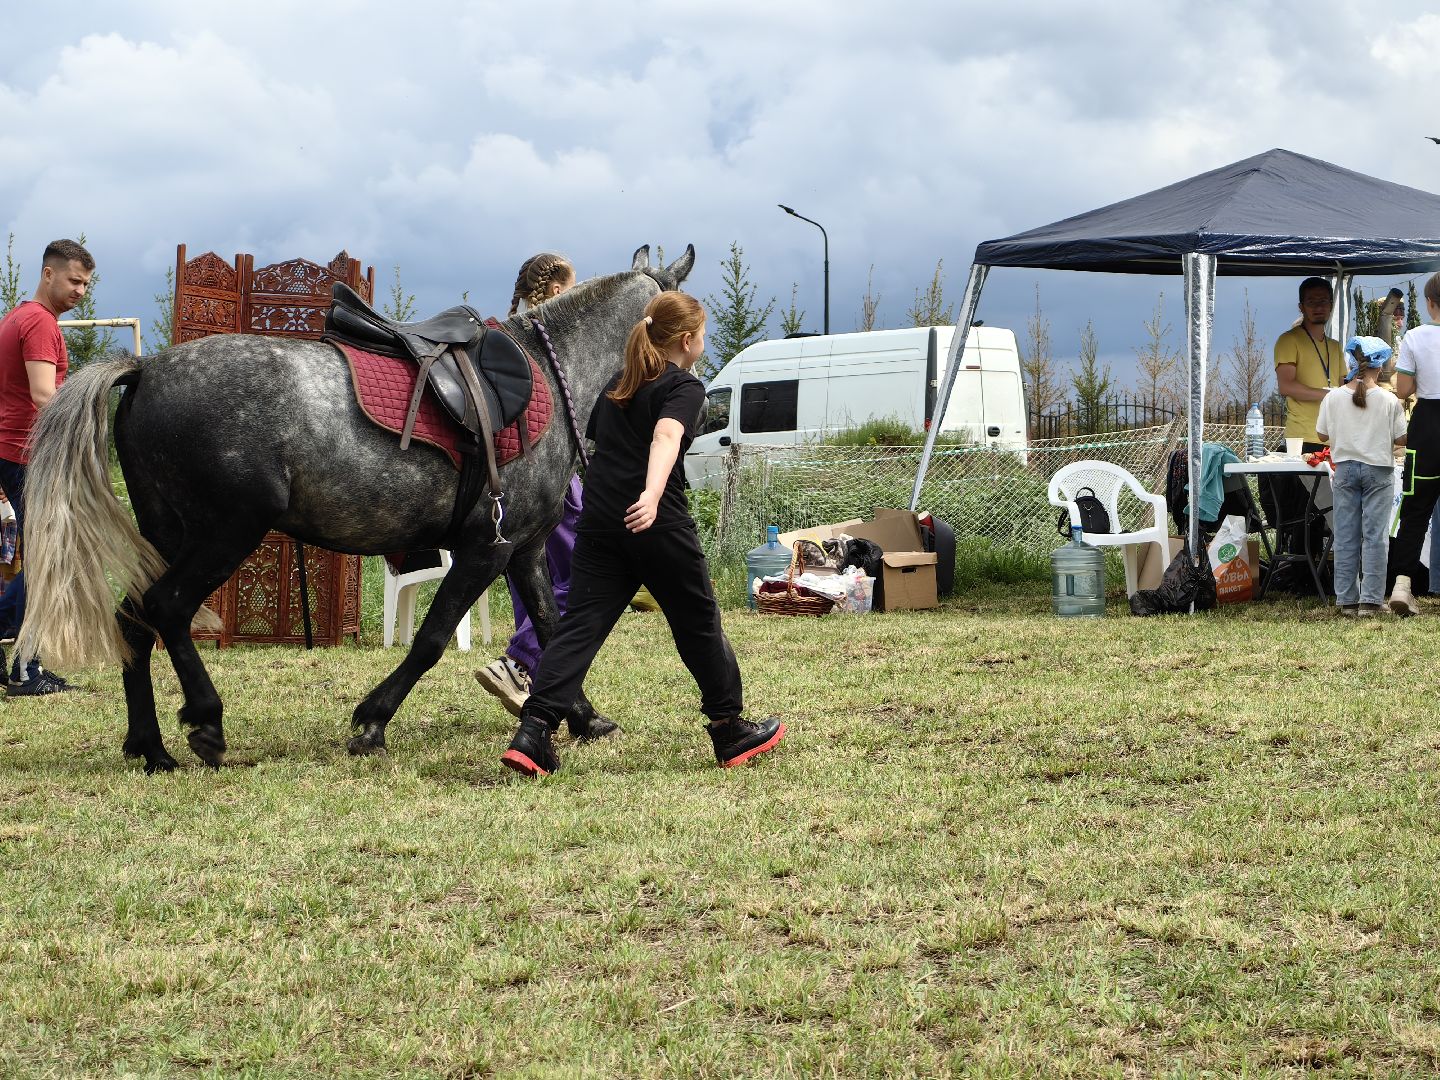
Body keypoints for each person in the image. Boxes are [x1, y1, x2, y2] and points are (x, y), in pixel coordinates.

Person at [500, 291, 784, 777]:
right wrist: (651, 496)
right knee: (698, 622)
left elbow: (598, 451)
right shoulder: (684, 387)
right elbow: (666, 436)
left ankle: (535, 733)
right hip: (655, 523)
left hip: (601, 522)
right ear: (688, 340)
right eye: (704, 336)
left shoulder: (619, 384)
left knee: (580, 627)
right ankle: (729, 729)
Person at [474, 253, 581, 715]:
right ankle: (520, 663)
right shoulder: (549, 342)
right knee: (582, 569)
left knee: (529, 573)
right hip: (546, 472)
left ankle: (530, 674)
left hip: (509, 476)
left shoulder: (506, 336)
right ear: (558, 291)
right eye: (573, 286)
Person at [0, 238, 94, 695]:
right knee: (43, 563)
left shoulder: (18, 316)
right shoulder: (38, 323)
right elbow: (42, 395)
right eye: (75, 280)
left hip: (12, 449)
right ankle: (25, 672)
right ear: (48, 273)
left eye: (86, 284)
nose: (81, 291)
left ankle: (14, 661)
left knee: (40, 559)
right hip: (28, 454)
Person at [1315, 337, 1407, 617]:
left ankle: (1346, 601)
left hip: (1344, 469)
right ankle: (1370, 601)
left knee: (1345, 535)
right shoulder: (1389, 400)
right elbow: (1401, 437)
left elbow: (1321, 435)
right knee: (1375, 537)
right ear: (1379, 368)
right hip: (1378, 469)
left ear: (1351, 362)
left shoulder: (1332, 397)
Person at [1270, 277, 1343, 559]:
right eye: (1311, 302)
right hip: (1302, 440)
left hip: (1332, 438)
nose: (1318, 307)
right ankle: (1303, 576)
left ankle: (1324, 569)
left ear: (1331, 305)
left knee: (1331, 509)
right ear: (1301, 306)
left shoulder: (1335, 347)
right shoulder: (1289, 341)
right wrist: (1327, 393)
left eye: (1323, 301)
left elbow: (1342, 386)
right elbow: (1286, 386)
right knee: (1306, 512)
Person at [1386, 273, 1440, 616]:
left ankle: (1403, 586)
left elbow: (1403, 390)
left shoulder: (1415, 336)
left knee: (1415, 512)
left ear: (1430, 304)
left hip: (1428, 426)